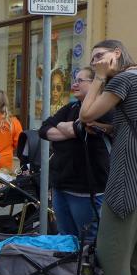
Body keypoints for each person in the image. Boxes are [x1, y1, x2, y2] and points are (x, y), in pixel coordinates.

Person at [80, 39, 137, 275]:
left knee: (111, 249)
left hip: (128, 173)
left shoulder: (124, 79)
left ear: (117, 53)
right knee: (134, 252)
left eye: (100, 56)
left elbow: (85, 114)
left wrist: (99, 77)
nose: (96, 63)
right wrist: (110, 128)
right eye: (93, 60)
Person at [39, 67, 109, 243]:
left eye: (80, 80)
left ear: (94, 84)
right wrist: (71, 128)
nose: (74, 84)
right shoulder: (71, 107)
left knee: (87, 243)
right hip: (61, 186)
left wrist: (62, 125)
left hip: (85, 190)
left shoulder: (103, 108)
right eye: (74, 80)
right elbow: (44, 129)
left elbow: (83, 128)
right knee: (66, 240)